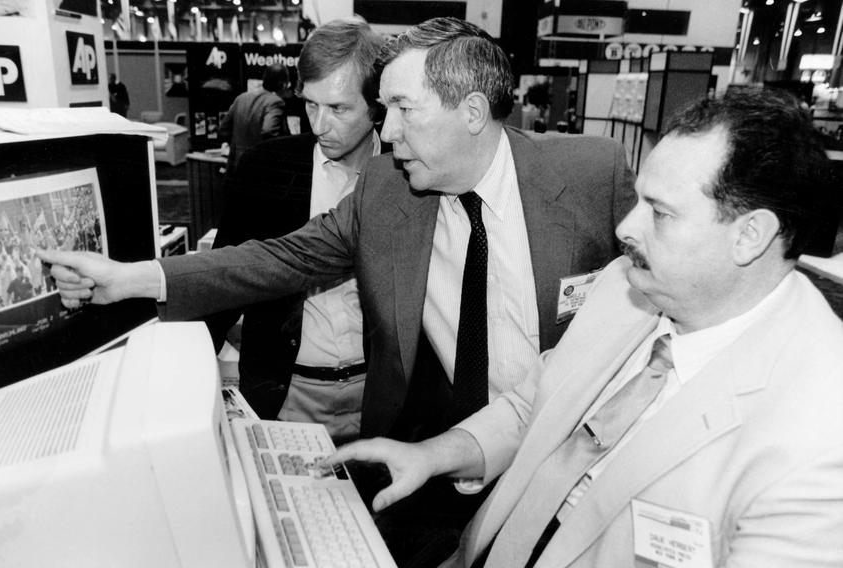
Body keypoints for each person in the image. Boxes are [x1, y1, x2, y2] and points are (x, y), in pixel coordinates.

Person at [40, 16, 633, 561]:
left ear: (472, 112)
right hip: (438, 463)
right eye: (382, 108)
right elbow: (279, 258)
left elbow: (651, 316)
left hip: (569, 467)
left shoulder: (590, 174)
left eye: (402, 107)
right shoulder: (387, 190)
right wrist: (131, 277)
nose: (388, 129)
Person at [326, 87, 843, 567]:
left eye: (660, 213)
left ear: (751, 235)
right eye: (638, 199)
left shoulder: (819, 438)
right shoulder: (627, 286)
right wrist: (432, 455)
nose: (625, 228)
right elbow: (540, 402)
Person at [206, 19, 387, 443]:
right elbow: (224, 283)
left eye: (339, 108)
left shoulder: (408, 172)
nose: (319, 124)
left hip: (381, 399)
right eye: (310, 105)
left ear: (376, 105)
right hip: (286, 398)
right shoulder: (265, 170)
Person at [219, 62, 291, 173]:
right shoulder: (275, 102)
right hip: (260, 170)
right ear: (282, 84)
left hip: (236, 167)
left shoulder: (241, 98)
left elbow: (223, 129)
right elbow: (269, 131)